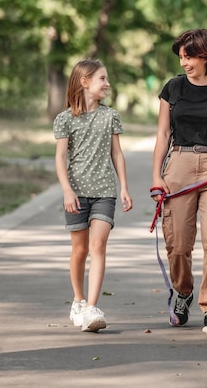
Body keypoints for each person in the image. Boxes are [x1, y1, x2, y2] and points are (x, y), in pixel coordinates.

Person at [151, 28, 207, 335]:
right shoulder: (173, 88)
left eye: (189, 57)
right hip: (179, 163)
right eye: (181, 57)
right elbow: (163, 134)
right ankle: (183, 291)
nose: (184, 63)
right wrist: (157, 176)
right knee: (177, 243)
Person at [54, 58, 133, 332]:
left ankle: (92, 308)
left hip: (104, 193)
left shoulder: (110, 116)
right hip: (76, 194)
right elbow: (60, 157)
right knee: (80, 250)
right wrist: (66, 190)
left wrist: (123, 186)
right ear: (84, 82)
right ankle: (78, 300)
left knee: (98, 247)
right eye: (102, 78)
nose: (107, 83)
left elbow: (117, 153)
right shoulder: (65, 119)